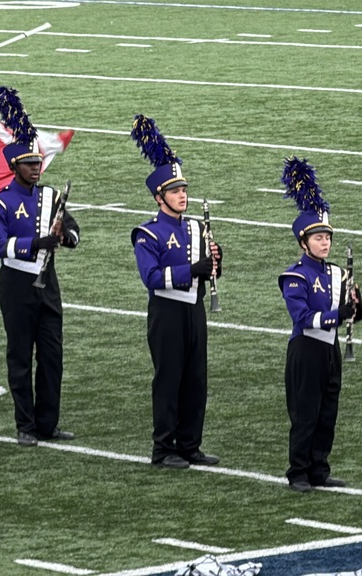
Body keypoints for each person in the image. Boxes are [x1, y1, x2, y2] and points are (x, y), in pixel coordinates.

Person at [0, 86, 79, 447]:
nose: (37, 169)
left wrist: (65, 238)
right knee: (21, 357)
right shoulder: (1, 202)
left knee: (52, 355)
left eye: (38, 163)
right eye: (30, 164)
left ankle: (47, 423)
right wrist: (34, 244)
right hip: (17, 285)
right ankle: (25, 425)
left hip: (47, 285)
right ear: (15, 166)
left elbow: (73, 230)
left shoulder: (52, 196)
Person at [130, 115, 221, 470]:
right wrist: (191, 270)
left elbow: (206, 271)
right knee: (168, 379)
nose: (182, 195)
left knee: (196, 378)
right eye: (175, 191)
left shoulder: (198, 228)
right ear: (159, 196)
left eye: (184, 190)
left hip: (193, 310)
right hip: (166, 312)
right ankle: (162, 447)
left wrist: (215, 264)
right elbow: (151, 278)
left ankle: (189, 443)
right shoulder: (147, 234)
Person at [278, 157, 362, 493]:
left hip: (330, 349)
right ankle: (298, 471)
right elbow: (302, 318)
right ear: (303, 242)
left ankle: (319, 468)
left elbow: (349, 312)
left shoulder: (338, 273)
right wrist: (339, 315)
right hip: (306, 348)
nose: (325, 243)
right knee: (306, 413)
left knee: (328, 410)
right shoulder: (295, 276)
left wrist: (356, 308)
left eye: (327, 237)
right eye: (317, 238)